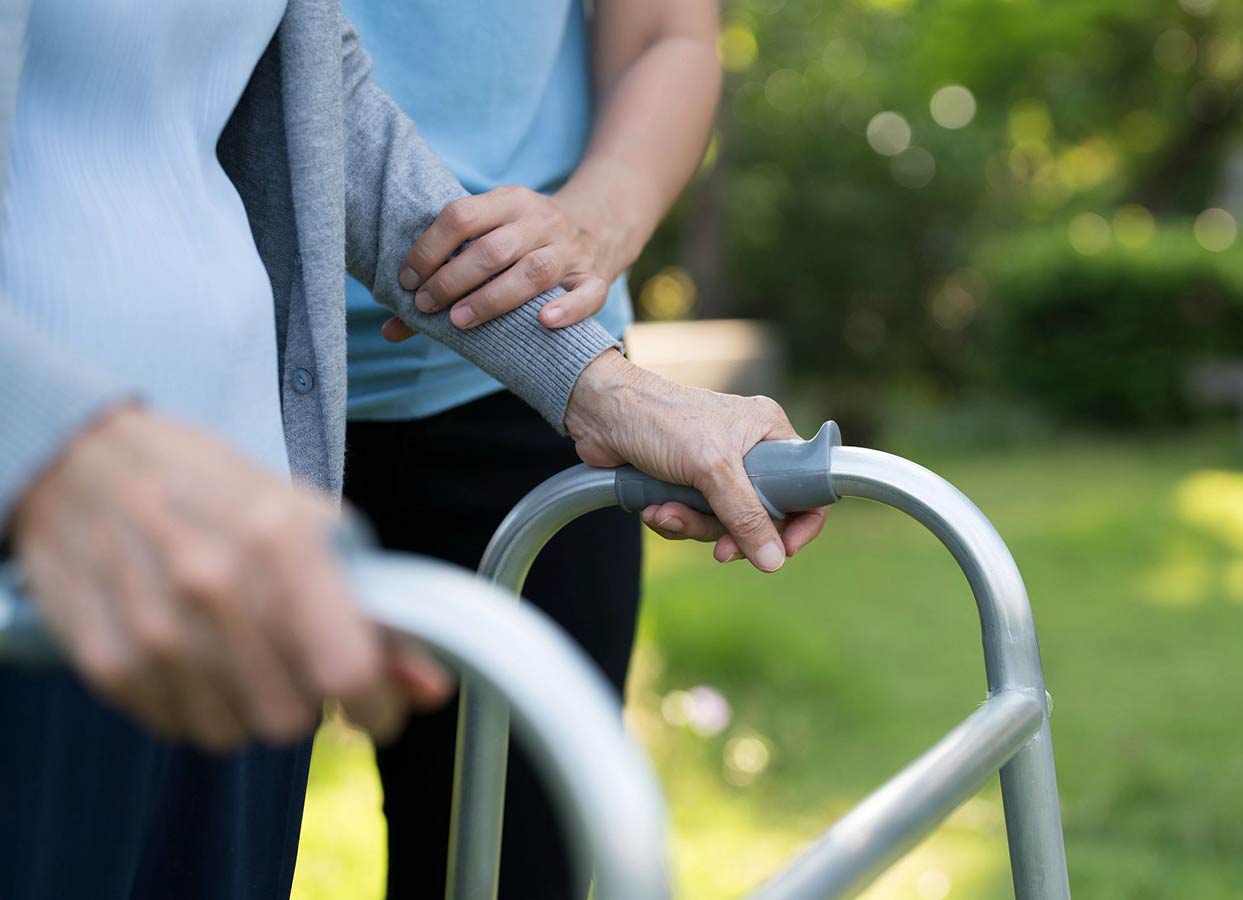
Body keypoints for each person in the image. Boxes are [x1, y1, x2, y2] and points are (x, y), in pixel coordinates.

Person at [0, 1, 827, 898]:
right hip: (63, 523)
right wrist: (58, 447)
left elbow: (319, 104)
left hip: (257, 477)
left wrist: (598, 380)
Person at [338, 2, 722, 896]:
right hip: (201, 383)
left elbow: (668, 31)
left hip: (527, 387)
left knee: (518, 866)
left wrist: (592, 225)